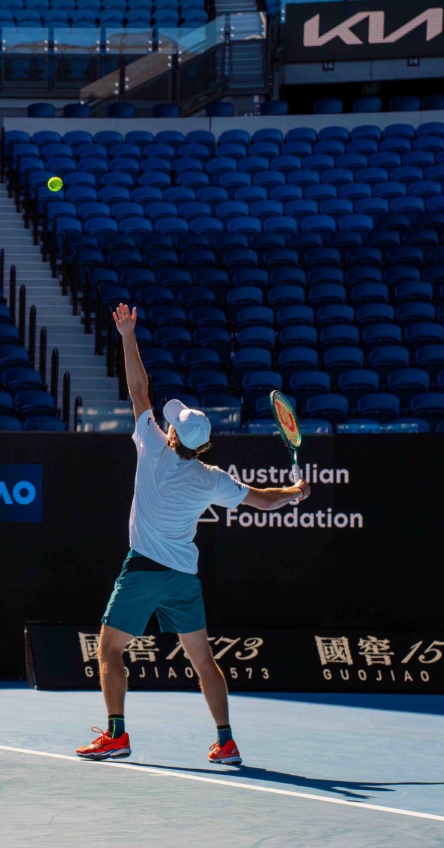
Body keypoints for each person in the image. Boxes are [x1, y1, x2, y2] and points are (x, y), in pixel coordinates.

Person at [75, 304, 312, 764]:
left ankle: (116, 735)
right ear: (202, 445)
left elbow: (140, 389)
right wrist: (294, 492)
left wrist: (127, 335)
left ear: (172, 437)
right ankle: (226, 741)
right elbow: (263, 500)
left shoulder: (151, 446)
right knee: (203, 660)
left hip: (143, 571)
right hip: (183, 577)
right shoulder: (211, 477)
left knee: (109, 649)